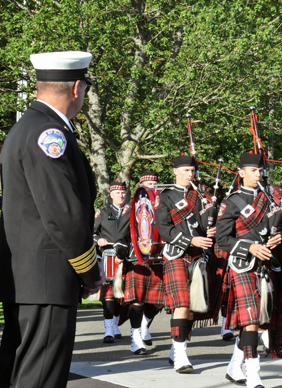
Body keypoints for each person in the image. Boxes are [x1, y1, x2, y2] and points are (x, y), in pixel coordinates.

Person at [0, 51, 103, 388]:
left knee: (22, 374)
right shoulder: (48, 135)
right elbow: (65, 216)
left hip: (31, 278)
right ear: (77, 87)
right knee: (40, 378)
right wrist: (88, 271)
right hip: (47, 279)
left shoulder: (28, 127)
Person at [216, 152, 282, 388]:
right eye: (252, 170)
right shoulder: (232, 202)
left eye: (260, 170)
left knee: (261, 321)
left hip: (268, 265)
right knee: (250, 319)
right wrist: (250, 246)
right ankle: (254, 375)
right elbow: (222, 239)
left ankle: (234, 365)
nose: (258, 174)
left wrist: (280, 237)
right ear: (241, 173)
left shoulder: (273, 199)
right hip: (243, 265)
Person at [154, 154, 218, 373]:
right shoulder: (166, 196)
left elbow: (207, 224)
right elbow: (164, 227)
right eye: (185, 170)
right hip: (177, 254)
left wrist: (212, 229)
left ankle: (176, 348)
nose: (190, 174)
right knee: (181, 304)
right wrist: (190, 239)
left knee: (191, 307)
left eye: (192, 170)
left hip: (199, 255)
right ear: (175, 171)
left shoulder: (201, 196)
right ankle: (181, 356)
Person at [115, 171, 165, 355]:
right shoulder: (132, 208)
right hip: (137, 259)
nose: (151, 186)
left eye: (154, 183)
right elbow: (121, 237)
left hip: (159, 260)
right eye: (148, 183)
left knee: (160, 301)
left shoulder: (163, 206)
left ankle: (144, 325)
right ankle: (135, 339)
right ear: (140, 185)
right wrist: (121, 251)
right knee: (137, 302)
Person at [94, 180, 130, 343]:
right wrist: (98, 240)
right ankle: (108, 329)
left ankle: (115, 324)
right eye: (117, 193)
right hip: (108, 255)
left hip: (128, 256)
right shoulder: (102, 211)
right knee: (109, 294)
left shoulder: (132, 211)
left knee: (123, 294)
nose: (121, 195)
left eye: (123, 193)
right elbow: (91, 233)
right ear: (111, 195)